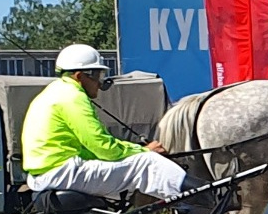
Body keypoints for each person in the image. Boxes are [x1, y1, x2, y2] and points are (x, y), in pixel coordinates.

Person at [23, 43, 187, 205]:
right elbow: (102, 146)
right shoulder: (72, 97)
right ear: (79, 76)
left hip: (48, 173)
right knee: (148, 162)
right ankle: (196, 199)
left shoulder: (54, 92)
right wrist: (143, 150)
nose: (101, 84)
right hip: (62, 172)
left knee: (139, 161)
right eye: (98, 76)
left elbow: (91, 149)